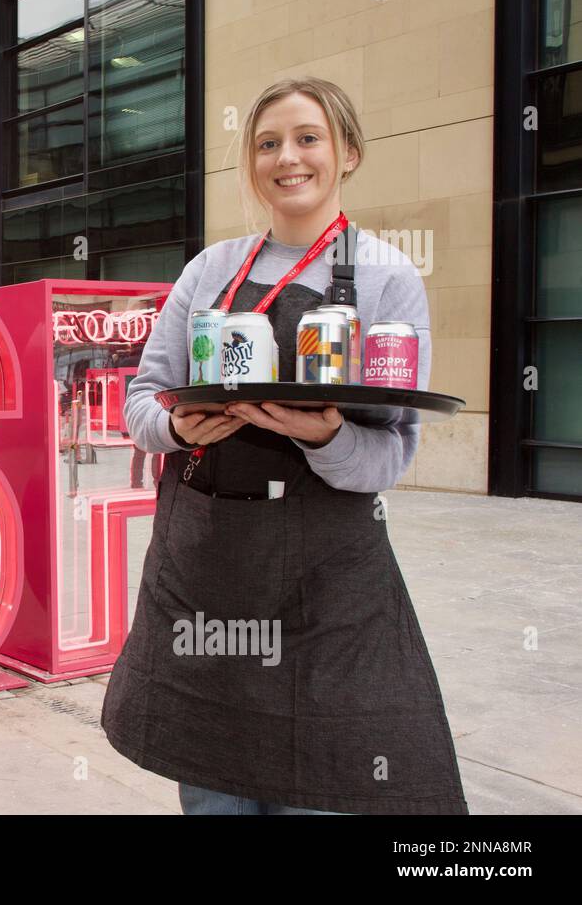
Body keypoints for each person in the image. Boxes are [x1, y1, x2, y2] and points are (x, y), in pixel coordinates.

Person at [100, 77, 467, 815]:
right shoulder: (210, 270)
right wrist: (176, 428)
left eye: (307, 138)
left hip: (328, 583)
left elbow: (392, 452)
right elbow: (142, 400)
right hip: (208, 572)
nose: (286, 157)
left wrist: (328, 435)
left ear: (348, 153)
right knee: (214, 791)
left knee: (326, 782)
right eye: (268, 143)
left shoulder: (388, 277)